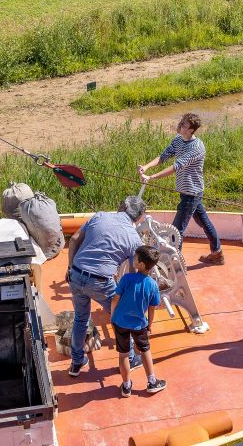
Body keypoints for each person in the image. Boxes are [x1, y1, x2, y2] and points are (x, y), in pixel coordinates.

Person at [66, 195, 147, 377]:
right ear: (139, 217)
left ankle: (76, 362)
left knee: (80, 319)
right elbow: (135, 273)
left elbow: (73, 240)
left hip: (76, 274)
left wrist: (71, 267)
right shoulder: (134, 239)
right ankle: (131, 358)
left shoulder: (100, 216)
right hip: (101, 281)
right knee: (123, 316)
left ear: (121, 206)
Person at [139, 113, 224, 265]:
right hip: (186, 191)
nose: (180, 126)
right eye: (182, 123)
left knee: (176, 231)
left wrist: (152, 178)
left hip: (191, 192)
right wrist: (146, 166)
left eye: (184, 125)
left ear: (191, 130)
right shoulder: (178, 139)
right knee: (203, 222)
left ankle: (173, 266)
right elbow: (163, 156)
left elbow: (175, 167)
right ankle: (217, 253)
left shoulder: (197, 147)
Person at [110, 245, 167, 396]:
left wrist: (112, 315)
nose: (133, 259)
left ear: (141, 264)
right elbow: (152, 307)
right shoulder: (152, 285)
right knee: (145, 350)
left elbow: (116, 298)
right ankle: (152, 381)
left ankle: (126, 386)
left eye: (135, 258)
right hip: (139, 324)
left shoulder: (127, 278)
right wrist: (150, 324)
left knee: (123, 354)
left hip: (120, 321)